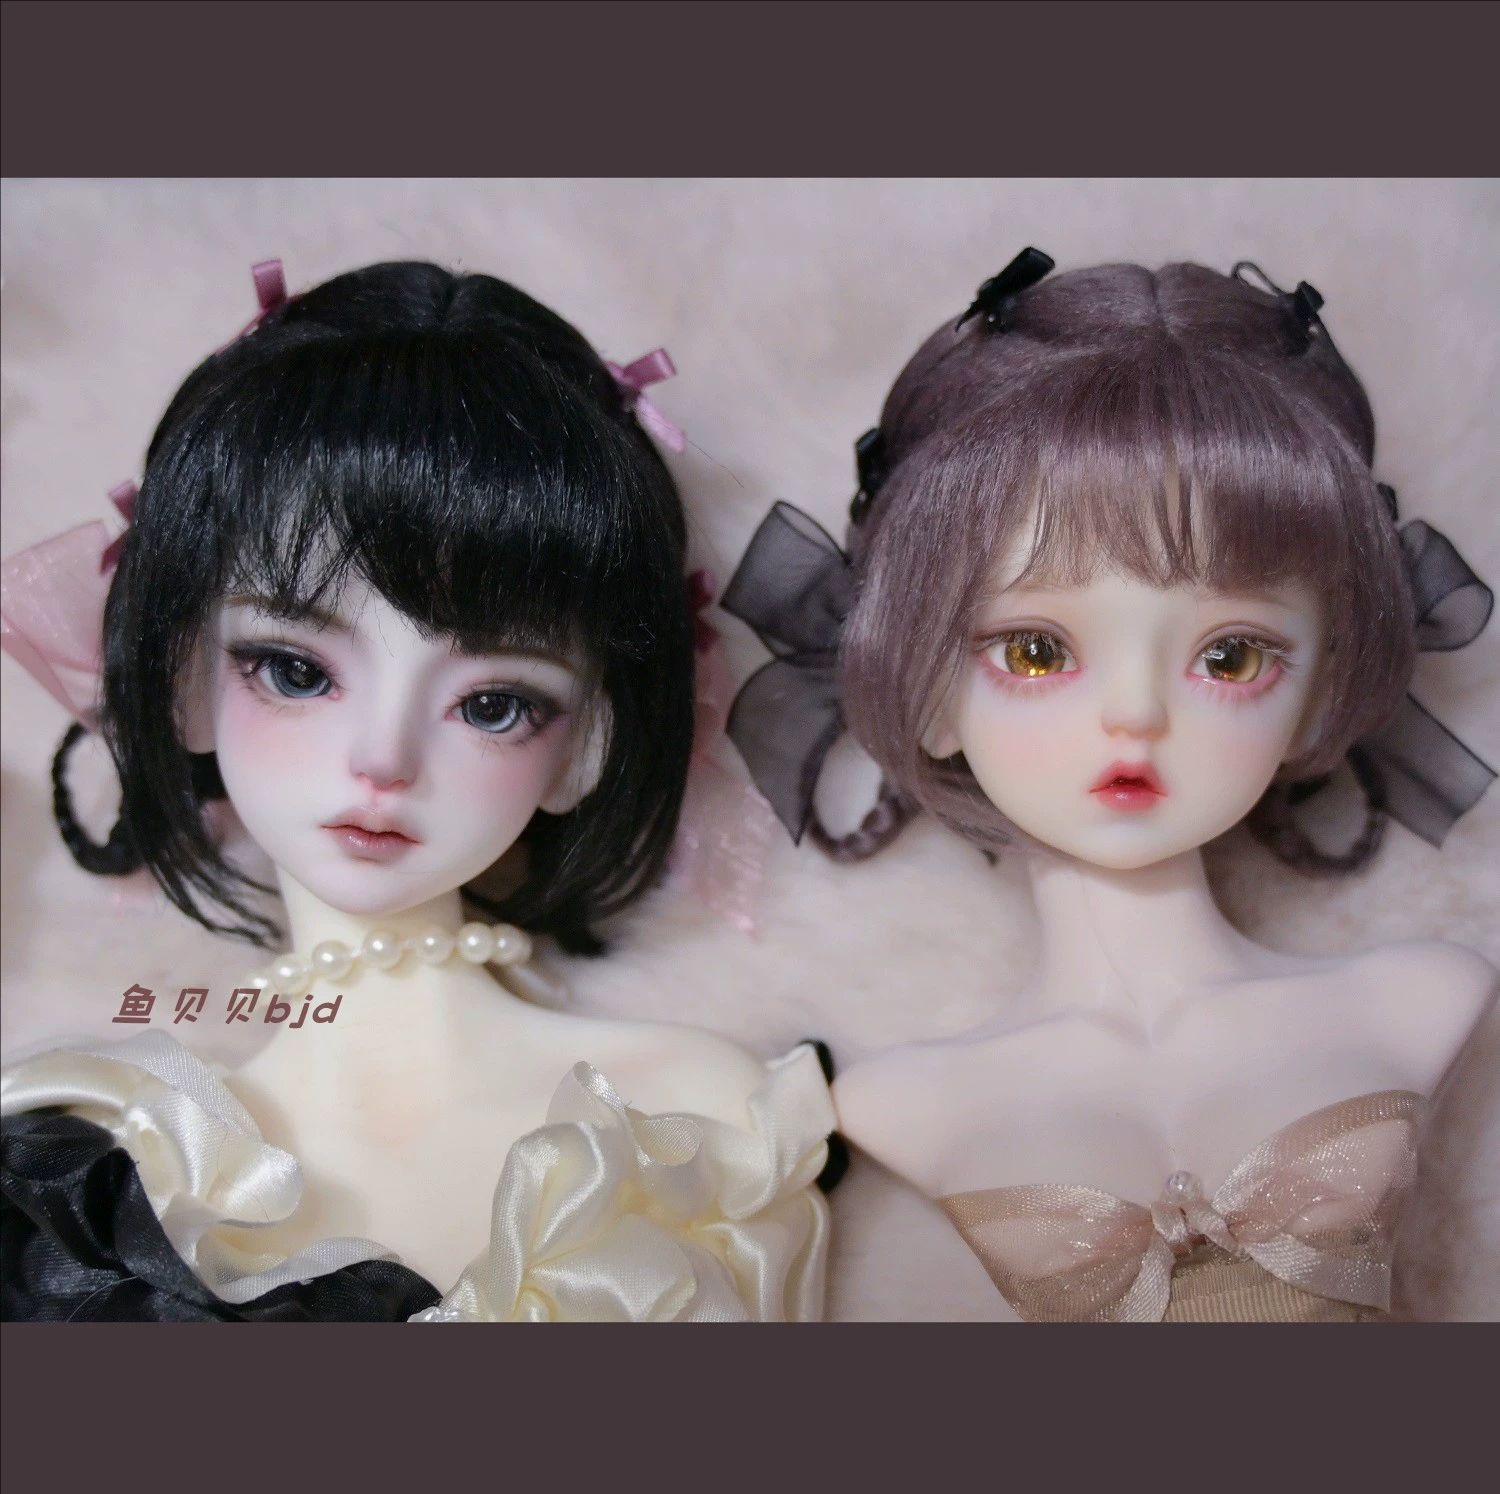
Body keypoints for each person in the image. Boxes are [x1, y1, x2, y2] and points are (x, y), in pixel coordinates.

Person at [1, 259, 833, 1322]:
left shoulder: (694, 1130)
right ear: (185, 682)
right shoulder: (88, 1173)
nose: (383, 759)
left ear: (586, 746)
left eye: (493, 703)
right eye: (294, 670)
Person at [724, 251, 1495, 1321]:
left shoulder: (1417, 1000)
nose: (1135, 716)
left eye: (1230, 656)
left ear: (1321, 691)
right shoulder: (900, 1100)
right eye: (1036, 651)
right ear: (927, 688)